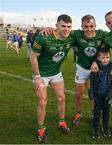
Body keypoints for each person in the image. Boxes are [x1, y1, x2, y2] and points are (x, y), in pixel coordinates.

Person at [42, 15, 112, 127]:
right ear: (82, 27)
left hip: (96, 68)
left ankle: (94, 114)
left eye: (91, 26)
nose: (88, 29)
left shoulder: (101, 35)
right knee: (78, 94)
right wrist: (49, 28)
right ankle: (78, 114)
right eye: (86, 26)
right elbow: (62, 30)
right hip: (82, 68)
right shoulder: (77, 34)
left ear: (95, 26)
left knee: (95, 94)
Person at [30, 14, 75, 143]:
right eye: (63, 26)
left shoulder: (71, 37)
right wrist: (37, 77)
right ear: (56, 26)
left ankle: (62, 122)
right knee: (43, 101)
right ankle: (40, 129)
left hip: (55, 73)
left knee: (62, 97)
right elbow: (33, 57)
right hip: (41, 73)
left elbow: (88, 34)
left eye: (69, 27)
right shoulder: (44, 37)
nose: (66, 29)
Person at [88, 48, 112, 139]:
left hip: (107, 96)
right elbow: (90, 80)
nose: (106, 59)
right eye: (103, 57)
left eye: (108, 57)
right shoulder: (95, 67)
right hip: (97, 95)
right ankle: (95, 130)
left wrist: (111, 93)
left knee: (106, 114)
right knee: (96, 114)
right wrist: (91, 93)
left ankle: (105, 129)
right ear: (98, 58)